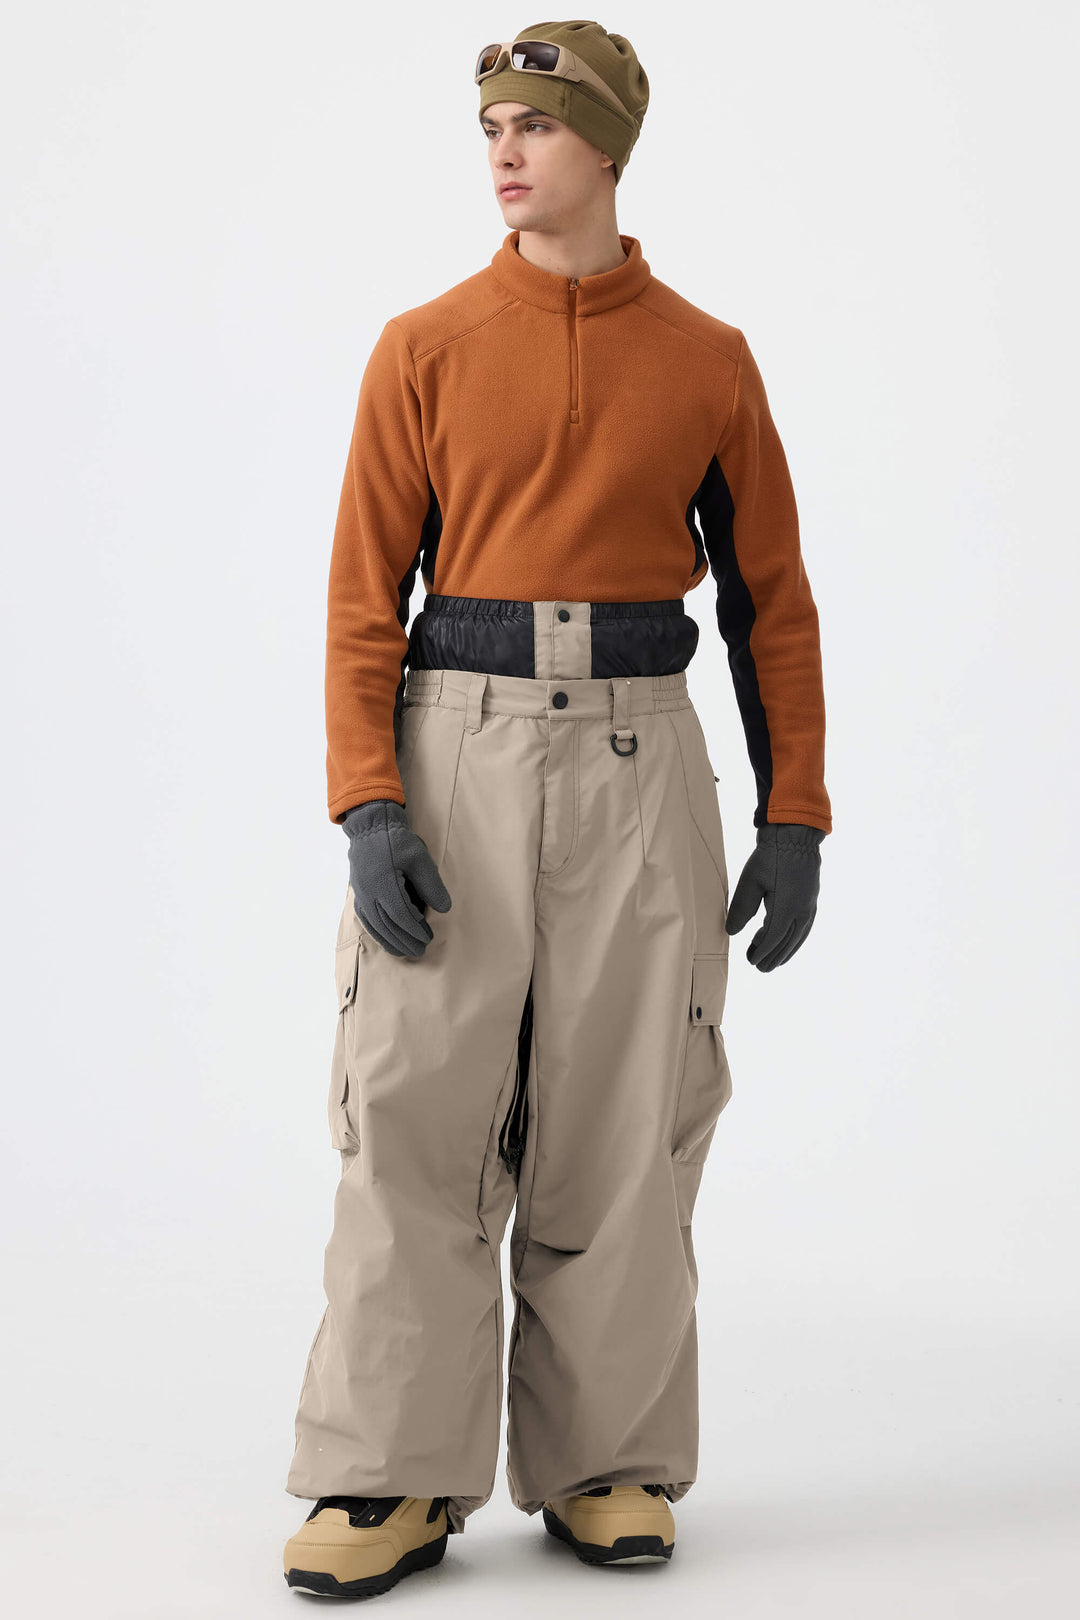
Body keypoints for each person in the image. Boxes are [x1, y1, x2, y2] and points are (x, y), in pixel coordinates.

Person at [282, 19, 832, 1600]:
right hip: (456, 749)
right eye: (491, 127)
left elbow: (772, 602)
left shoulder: (709, 361)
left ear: (608, 146)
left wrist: (796, 814)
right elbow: (360, 602)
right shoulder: (426, 346)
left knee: (627, 1121)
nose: (506, 152)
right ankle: (388, 1473)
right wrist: (369, 804)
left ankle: (609, 1463)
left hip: (642, 763)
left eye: (533, 123)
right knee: (415, 1114)